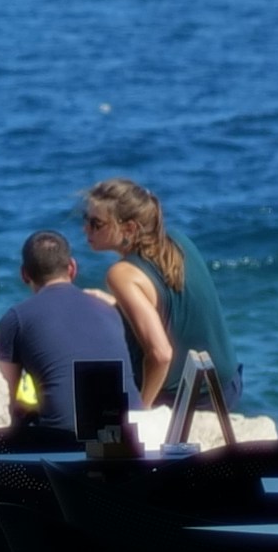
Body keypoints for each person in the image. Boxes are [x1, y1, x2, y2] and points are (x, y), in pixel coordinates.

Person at [0, 230, 143, 444]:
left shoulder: (16, 319)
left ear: (24, 274)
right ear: (72, 268)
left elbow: (5, 397)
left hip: (66, 444)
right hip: (131, 437)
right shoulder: (109, 310)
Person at [76, 177, 191, 427]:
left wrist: (142, 410)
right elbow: (166, 305)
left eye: (96, 224)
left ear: (128, 229)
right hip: (221, 381)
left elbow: (161, 354)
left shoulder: (121, 274)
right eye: (86, 219)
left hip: (184, 392)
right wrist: (117, 305)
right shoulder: (177, 243)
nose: (86, 229)